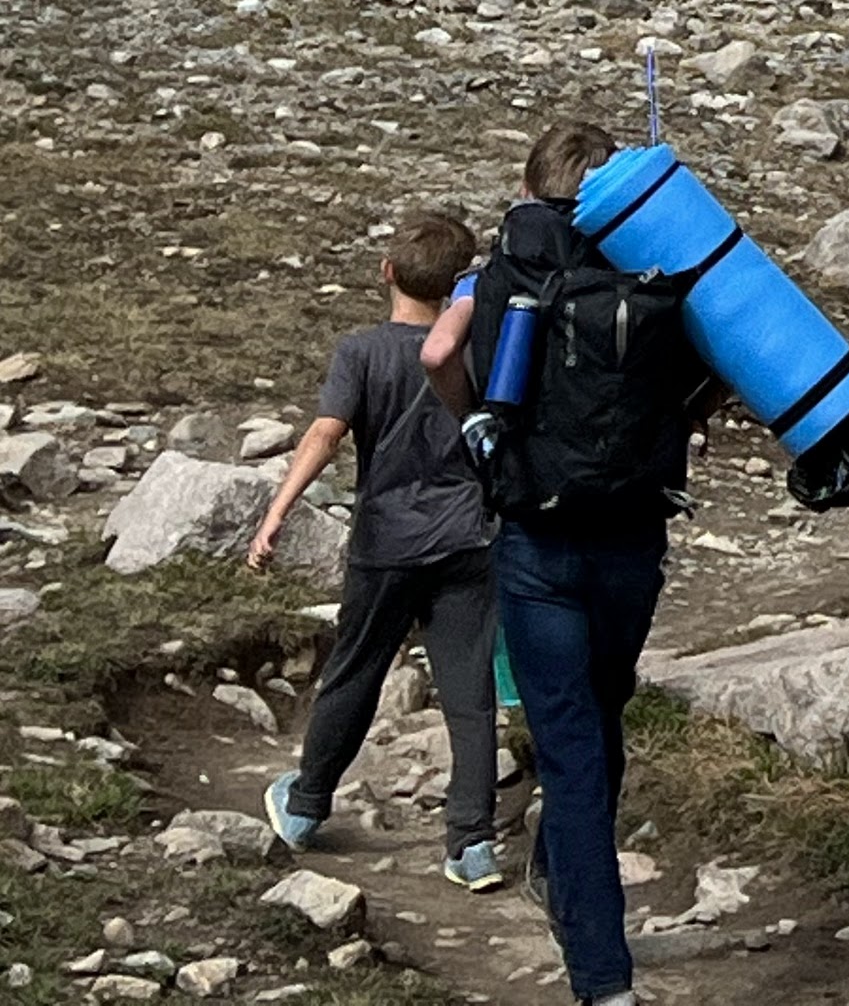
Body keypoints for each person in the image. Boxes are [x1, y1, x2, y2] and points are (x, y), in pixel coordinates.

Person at [424, 119, 714, 1006]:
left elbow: (436, 353)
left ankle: (601, 977)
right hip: (632, 538)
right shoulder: (653, 272)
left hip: (537, 543)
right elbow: (720, 375)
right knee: (602, 713)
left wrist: (478, 427)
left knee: (571, 745)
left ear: (532, 184)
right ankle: (561, 881)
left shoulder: (500, 274)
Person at [254, 205, 506, 889]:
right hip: (468, 537)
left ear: (386, 271)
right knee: (468, 692)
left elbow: (326, 433)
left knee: (356, 672)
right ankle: (472, 844)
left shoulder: (360, 353)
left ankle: (305, 807)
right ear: (459, 285)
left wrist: (277, 511)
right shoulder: (480, 349)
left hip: (385, 540)